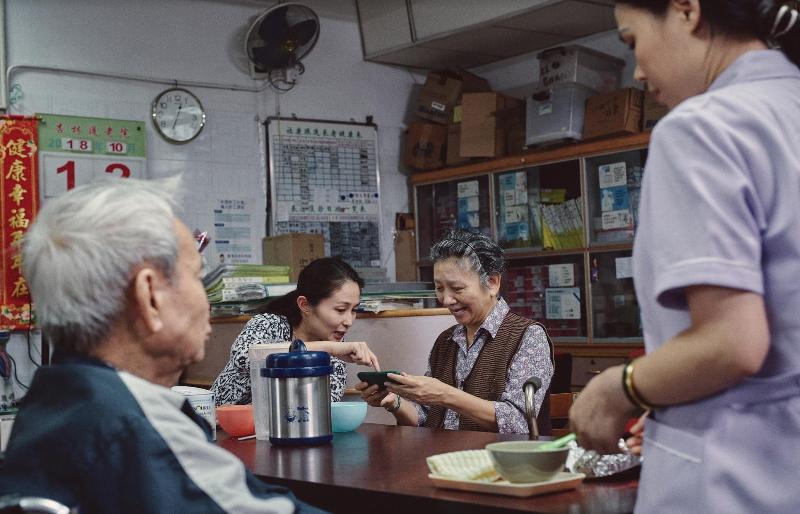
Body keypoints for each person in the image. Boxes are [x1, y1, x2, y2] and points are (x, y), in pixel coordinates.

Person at [569, 1, 800, 512]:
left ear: (686, 9)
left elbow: (732, 342)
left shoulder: (702, 127)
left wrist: (618, 388)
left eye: (633, 41)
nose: (638, 71)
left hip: (739, 479)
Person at [0, 178, 326, 513]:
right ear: (150, 297)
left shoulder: (53, 404)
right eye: (197, 277)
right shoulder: (141, 431)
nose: (205, 303)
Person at [359, 229, 554, 433]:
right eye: (439, 288)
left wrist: (445, 394)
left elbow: (519, 422)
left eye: (457, 288)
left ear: (492, 282)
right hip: (444, 453)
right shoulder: (446, 340)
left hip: (496, 455)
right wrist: (395, 402)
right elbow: (426, 416)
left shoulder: (529, 336)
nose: (446, 300)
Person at [212, 257, 379, 406]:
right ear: (305, 305)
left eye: (354, 310)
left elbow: (322, 405)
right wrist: (327, 348)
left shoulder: (336, 348)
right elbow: (244, 356)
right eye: (340, 309)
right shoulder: (269, 323)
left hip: (282, 428)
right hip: (217, 425)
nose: (349, 321)